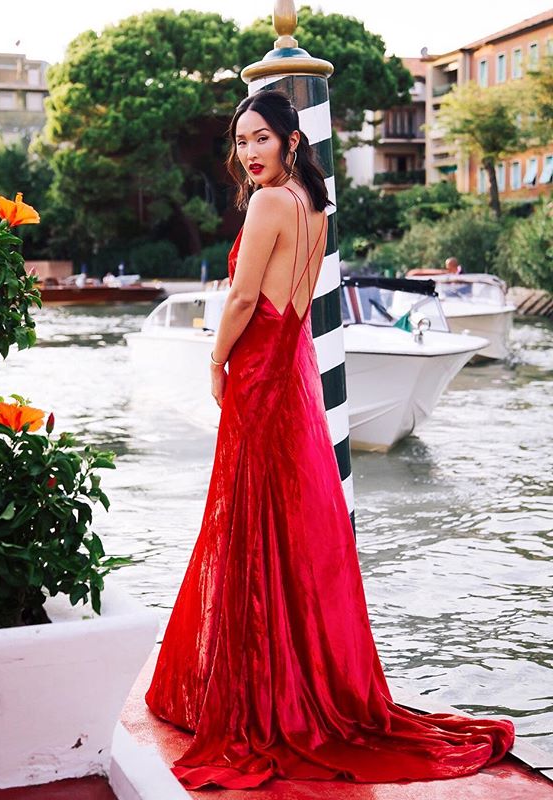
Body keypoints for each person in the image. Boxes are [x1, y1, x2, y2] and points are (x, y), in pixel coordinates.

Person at [144, 89, 514, 791]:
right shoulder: (313, 205)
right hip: (292, 368)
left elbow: (247, 299)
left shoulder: (268, 203)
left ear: (289, 140)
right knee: (281, 526)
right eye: (241, 140)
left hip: (260, 368)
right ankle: (287, 679)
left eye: (260, 138)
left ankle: (259, 693)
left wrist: (215, 359)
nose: (248, 152)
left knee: (249, 524)